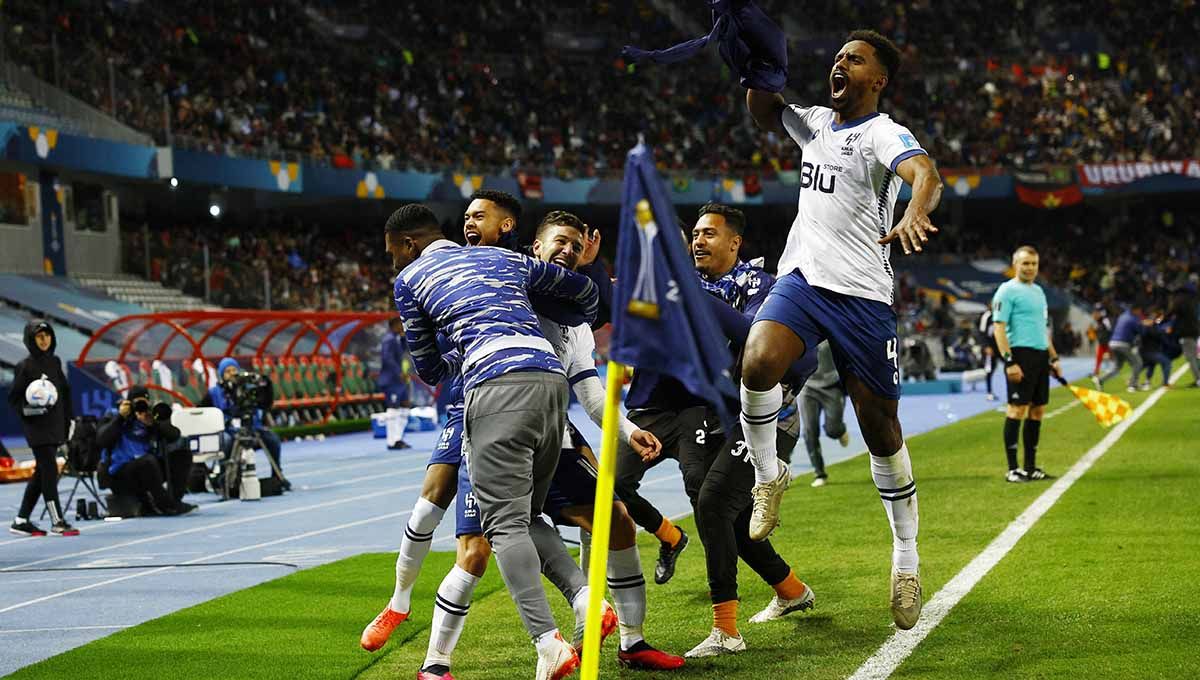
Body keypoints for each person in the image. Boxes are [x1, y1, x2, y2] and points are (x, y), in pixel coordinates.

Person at [740, 28, 943, 630]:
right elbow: (763, 110)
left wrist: (913, 209)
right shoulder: (814, 123)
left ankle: (905, 557)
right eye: (836, 57)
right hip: (803, 279)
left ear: (877, 80)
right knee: (756, 361)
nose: (839, 65)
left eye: (853, 60)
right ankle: (769, 473)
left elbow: (925, 172)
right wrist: (758, 64)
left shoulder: (881, 132)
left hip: (863, 294)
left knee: (880, 429)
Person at [384, 202, 600, 679]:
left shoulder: (409, 280)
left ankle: (548, 644)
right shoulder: (505, 257)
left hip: (494, 387)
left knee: (501, 528)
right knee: (524, 516)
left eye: (393, 253)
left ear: (408, 245)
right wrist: (578, 307)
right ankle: (586, 600)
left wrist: (454, 357)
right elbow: (585, 291)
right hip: (550, 385)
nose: (393, 263)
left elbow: (426, 366)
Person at [361, 190, 529, 659]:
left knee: (503, 532)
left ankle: (578, 620)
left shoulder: (493, 264)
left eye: (481, 215)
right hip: (461, 403)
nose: (471, 223)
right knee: (426, 507)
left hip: (498, 398)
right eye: (469, 216)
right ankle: (397, 605)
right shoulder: (434, 273)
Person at [992, 246, 1063, 483]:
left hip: (1040, 355)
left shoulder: (1039, 292)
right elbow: (999, 327)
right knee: (1017, 408)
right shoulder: (1006, 291)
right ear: (1015, 264)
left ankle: (1031, 467)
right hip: (1019, 355)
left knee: (1037, 409)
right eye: (1025, 263)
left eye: (1033, 264)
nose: (1030, 268)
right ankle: (1013, 469)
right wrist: (1009, 361)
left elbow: (1042, 329)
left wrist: (1053, 357)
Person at [7, 320, 78, 536]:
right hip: (37, 428)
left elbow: (64, 393)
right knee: (49, 471)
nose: (44, 340)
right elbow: (14, 399)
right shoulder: (25, 366)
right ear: (31, 339)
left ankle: (21, 520)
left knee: (41, 473)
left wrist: (69, 422)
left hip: (55, 426)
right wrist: (31, 408)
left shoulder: (55, 362)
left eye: (47, 335)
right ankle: (57, 521)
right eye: (39, 336)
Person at [96, 386, 196, 515]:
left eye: (143, 402)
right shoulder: (114, 415)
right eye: (136, 403)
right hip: (120, 473)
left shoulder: (150, 415)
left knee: (183, 455)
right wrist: (121, 418)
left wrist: (154, 424)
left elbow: (174, 435)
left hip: (150, 470)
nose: (140, 407)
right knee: (147, 461)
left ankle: (174, 500)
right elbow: (101, 440)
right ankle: (166, 504)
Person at [200, 357, 286, 488]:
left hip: (251, 428)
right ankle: (225, 478)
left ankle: (277, 474)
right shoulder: (214, 393)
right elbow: (201, 412)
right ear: (222, 374)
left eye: (234, 370)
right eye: (228, 371)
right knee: (227, 441)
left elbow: (265, 404)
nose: (232, 374)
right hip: (227, 430)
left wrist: (267, 387)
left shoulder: (248, 389)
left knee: (272, 439)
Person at [798, 342, 850, 487]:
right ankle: (819, 473)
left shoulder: (832, 326)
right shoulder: (800, 328)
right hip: (807, 387)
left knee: (833, 430)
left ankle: (840, 431)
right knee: (809, 430)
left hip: (832, 385)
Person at [377, 316, 412, 450]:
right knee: (393, 408)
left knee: (404, 406)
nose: (402, 326)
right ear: (393, 325)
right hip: (391, 380)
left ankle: (399, 438)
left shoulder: (397, 338)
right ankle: (392, 441)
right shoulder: (388, 339)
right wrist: (399, 372)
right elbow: (387, 358)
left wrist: (403, 338)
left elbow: (404, 351)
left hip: (399, 380)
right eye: (399, 324)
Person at [1097, 303, 1145, 392]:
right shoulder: (1133, 318)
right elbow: (1141, 331)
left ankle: (1100, 380)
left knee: (1117, 367)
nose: (1140, 313)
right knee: (1137, 363)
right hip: (1122, 344)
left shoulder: (1123, 316)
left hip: (1113, 343)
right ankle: (1132, 385)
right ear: (1136, 310)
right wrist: (1144, 324)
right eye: (1139, 311)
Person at [1167, 287, 1199, 387]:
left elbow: (1171, 313)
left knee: (1191, 358)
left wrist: (1162, 319)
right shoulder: (1191, 301)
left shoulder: (1179, 301)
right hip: (1194, 331)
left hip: (1186, 333)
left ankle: (1198, 380)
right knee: (1194, 357)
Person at [1090, 304, 1113, 388]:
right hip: (1102, 344)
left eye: (1096, 312)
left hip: (1108, 344)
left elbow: (1110, 331)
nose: (1094, 314)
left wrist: (1109, 345)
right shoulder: (1099, 322)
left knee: (1111, 360)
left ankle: (1107, 373)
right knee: (1098, 359)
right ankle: (1096, 374)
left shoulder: (1105, 321)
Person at [978, 308, 999, 400]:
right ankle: (989, 392)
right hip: (990, 346)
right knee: (990, 369)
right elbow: (982, 333)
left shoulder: (1003, 314)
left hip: (1001, 346)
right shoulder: (987, 316)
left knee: (1009, 365)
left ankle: (1013, 393)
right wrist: (986, 346)